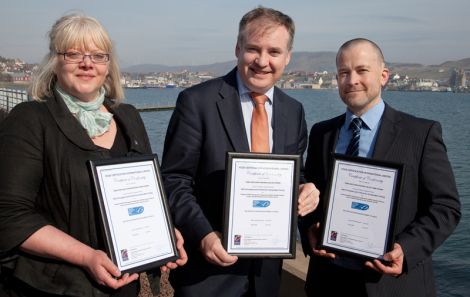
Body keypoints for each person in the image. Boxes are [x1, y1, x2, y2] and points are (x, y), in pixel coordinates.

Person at [0, 14, 187, 297]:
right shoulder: (30, 119)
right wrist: (86, 256)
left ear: (108, 65)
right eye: (74, 53)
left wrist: (163, 231)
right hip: (54, 287)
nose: (87, 63)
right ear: (55, 61)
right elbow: (10, 215)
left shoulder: (128, 117)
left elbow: (147, 193)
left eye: (98, 55)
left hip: (124, 285)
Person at [161, 6, 319, 297]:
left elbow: (295, 174)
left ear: (287, 57)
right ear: (237, 48)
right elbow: (173, 180)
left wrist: (304, 190)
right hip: (207, 276)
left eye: (274, 51)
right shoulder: (197, 102)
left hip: (267, 275)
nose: (262, 61)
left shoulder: (293, 111)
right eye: (253, 49)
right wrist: (204, 236)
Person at [299, 38, 461, 297]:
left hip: (394, 285)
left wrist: (406, 249)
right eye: (343, 73)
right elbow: (311, 194)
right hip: (329, 282)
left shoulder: (420, 133)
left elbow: (446, 207)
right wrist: (310, 227)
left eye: (362, 70)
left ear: (383, 76)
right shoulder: (322, 132)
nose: (352, 80)